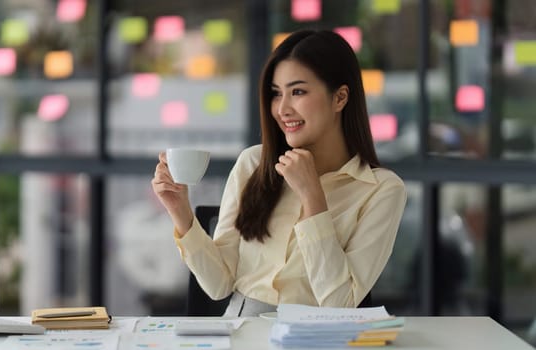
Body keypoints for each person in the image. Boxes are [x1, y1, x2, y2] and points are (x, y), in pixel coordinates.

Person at [151, 29, 407, 317]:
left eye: (298, 92)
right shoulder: (253, 164)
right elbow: (219, 284)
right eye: (276, 94)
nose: (282, 109)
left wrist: (313, 197)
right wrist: (180, 211)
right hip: (240, 329)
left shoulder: (382, 190)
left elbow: (340, 303)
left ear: (340, 98)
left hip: (317, 337)